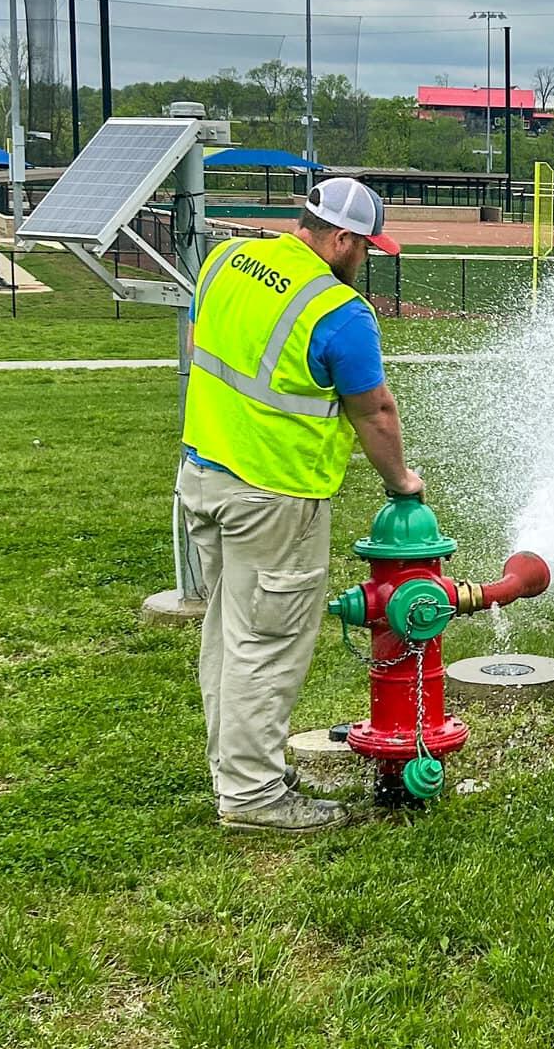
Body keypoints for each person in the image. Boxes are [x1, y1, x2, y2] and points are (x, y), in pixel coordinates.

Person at [176, 176, 422, 834]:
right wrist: (402, 483)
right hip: (274, 499)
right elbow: (375, 413)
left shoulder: (226, 260)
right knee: (266, 645)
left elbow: (209, 348)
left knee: (228, 635)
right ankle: (255, 798)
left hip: (202, 475)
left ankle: (238, 773)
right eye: (363, 246)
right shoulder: (338, 313)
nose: (364, 258)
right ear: (339, 239)